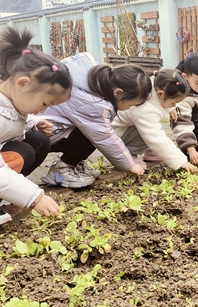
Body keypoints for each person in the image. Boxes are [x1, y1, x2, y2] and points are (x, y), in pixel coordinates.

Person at [38, 52, 152, 188]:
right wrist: (130, 165)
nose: (128, 109)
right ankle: (62, 169)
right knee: (94, 134)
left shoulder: (89, 75)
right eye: (130, 104)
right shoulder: (94, 104)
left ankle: (74, 163)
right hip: (43, 131)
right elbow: (107, 138)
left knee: (92, 130)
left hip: (42, 124)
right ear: (117, 92)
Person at [0, 27, 72, 223]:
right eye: (44, 104)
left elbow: (12, 117)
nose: (43, 110)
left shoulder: (11, 100)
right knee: (23, 151)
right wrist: (34, 197)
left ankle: (7, 193)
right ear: (22, 84)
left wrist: (35, 123)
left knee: (39, 141)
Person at [112, 69, 197, 173]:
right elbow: (157, 138)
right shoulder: (144, 110)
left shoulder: (154, 85)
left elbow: (162, 101)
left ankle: (140, 152)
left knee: (152, 125)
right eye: (173, 103)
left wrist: (171, 109)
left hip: (127, 127)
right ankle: (129, 155)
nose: (174, 106)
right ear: (160, 94)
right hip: (116, 137)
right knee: (152, 131)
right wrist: (181, 161)